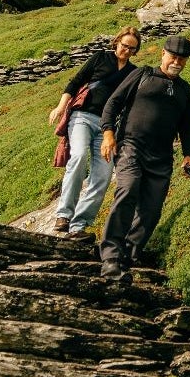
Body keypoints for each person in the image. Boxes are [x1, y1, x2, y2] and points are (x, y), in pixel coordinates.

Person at [98, 34, 190, 278]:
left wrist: (189, 155)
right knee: (128, 190)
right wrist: (108, 134)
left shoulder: (185, 90)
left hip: (162, 156)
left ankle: (129, 256)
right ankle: (110, 255)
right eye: (173, 56)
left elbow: (188, 125)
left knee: (152, 210)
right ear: (163, 54)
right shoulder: (142, 74)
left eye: (182, 59)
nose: (177, 62)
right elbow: (113, 103)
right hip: (131, 146)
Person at [47, 27, 140, 234]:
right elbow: (75, 82)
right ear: (116, 42)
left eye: (132, 48)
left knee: (103, 175)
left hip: (108, 129)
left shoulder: (133, 73)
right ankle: (64, 215)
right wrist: (60, 107)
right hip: (82, 117)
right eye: (124, 45)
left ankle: (79, 224)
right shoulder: (100, 58)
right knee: (78, 156)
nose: (126, 50)